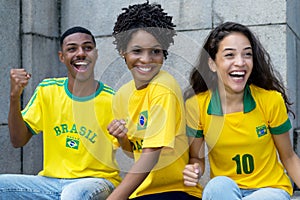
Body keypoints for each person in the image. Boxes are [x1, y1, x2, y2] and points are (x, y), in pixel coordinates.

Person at [0, 26, 121, 200]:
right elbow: (18, 140)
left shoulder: (112, 99)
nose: (81, 53)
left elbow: (131, 149)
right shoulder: (47, 90)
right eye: (72, 49)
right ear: (62, 57)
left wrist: (123, 135)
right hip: (50, 182)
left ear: (95, 54)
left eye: (87, 48)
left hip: (96, 181)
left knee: (73, 194)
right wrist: (14, 97)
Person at [182, 21, 300, 199]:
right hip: (228, 192)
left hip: (270, 190)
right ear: (212, 64)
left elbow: (289, 157)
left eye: (247, 55)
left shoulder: (270, 100)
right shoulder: (196, 106)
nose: (240, 62)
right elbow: (197, 159)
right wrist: (194, 170)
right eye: (230, 55)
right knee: (216, 186)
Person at [106, 1, 202, 199]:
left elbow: (151, 155)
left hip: (176, 191)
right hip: (143, 192)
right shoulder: (122, 95)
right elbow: (134, 152)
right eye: (137, 51)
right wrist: (122, 137)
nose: (146, 59)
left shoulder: (163, 88)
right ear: (123, 51)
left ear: (164, 52)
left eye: (155, 51)